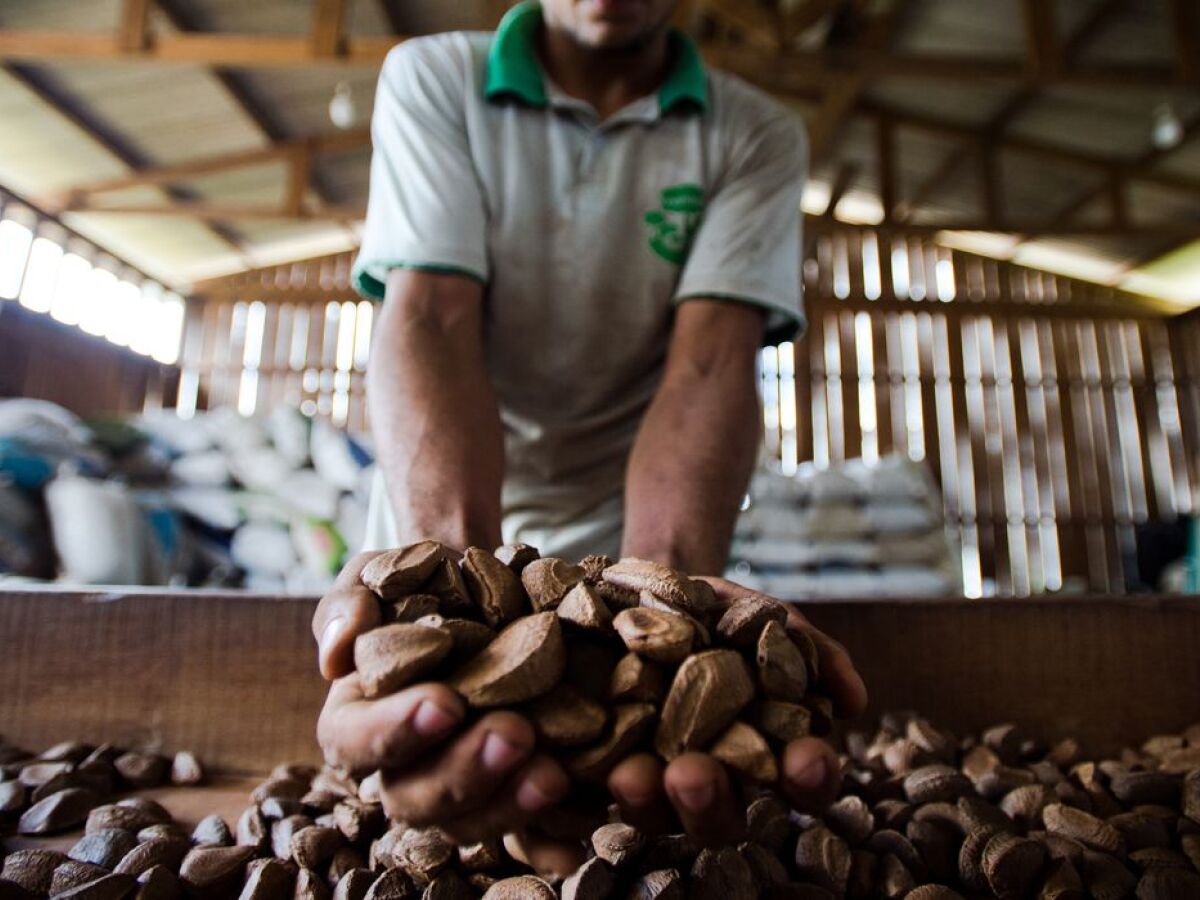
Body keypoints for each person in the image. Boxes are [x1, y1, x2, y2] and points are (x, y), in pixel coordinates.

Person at [313, 0, 867, 874]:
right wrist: (459, 604)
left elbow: (709, 368)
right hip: (446, 500)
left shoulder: (753, 131)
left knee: (633, 824)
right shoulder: (438, 79)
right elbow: (432, 320)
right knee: (438, 799)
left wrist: (664, 612)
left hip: (638, 508)